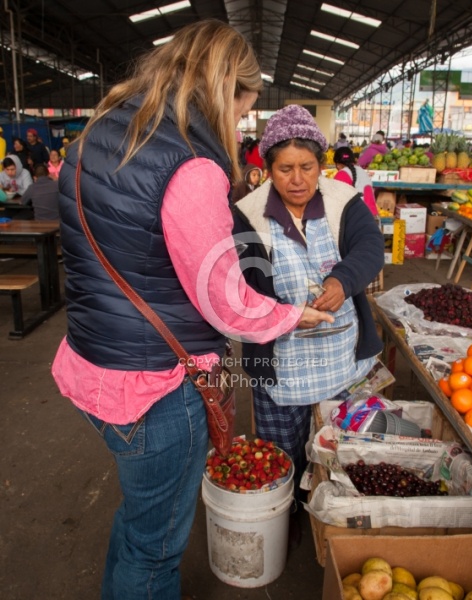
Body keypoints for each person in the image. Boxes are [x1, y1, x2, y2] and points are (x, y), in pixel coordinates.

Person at [51, 20, 331, 600]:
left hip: (92, 364)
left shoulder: (97, 135)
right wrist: (290, 315)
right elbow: (228, 304)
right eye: (242, 110)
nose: (238, 125)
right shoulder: (189, 165)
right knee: (156, 554)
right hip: (157, 387)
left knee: (139, 526)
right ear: (225, 90)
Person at [232, 104, 384, 531]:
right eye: (284, 169)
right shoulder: (246, 214)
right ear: (267, 169)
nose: (297, 180)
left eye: (307, 167)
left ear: (321, 165)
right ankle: (290, 518)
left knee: (338, 443)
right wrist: (285, 315)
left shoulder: (343, 201)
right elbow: (241, 287)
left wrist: (342, 281)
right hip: (282, 361)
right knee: (282, 449)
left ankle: (335, 517)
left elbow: (370, 248)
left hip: (342, 355)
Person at [333, 146, 378, 217]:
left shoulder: (342, 174)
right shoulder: (362, 172)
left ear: (338, 164)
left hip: (357, 219)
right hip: (372, 217)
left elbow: (335, 203)